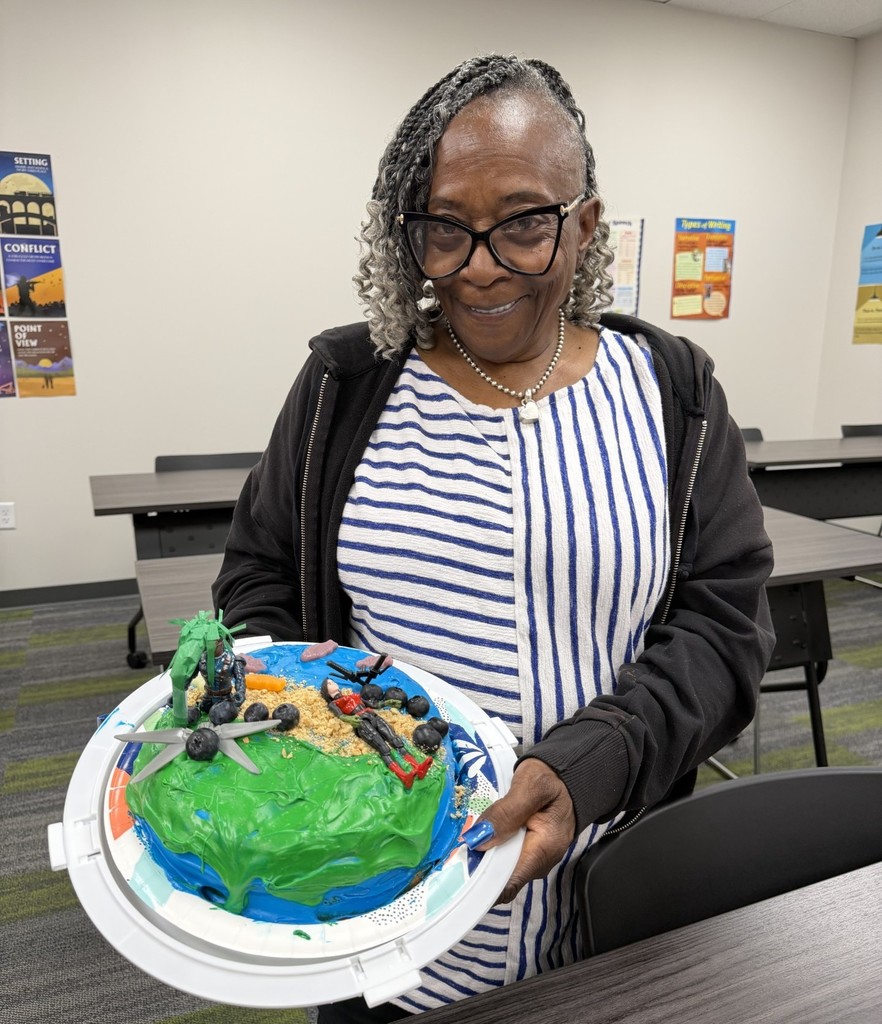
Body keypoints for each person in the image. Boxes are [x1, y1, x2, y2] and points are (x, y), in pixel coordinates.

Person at [213, 54, 775, 1021]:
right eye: (445, 228)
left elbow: (725, 630)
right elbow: (261, 573)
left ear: (586, 222)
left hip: (612, 912)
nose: (479, 264)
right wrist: (280, 712)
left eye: (524, 223)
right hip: (373, 912)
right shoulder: (348, 388)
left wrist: (589, 766)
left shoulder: (673, 393)